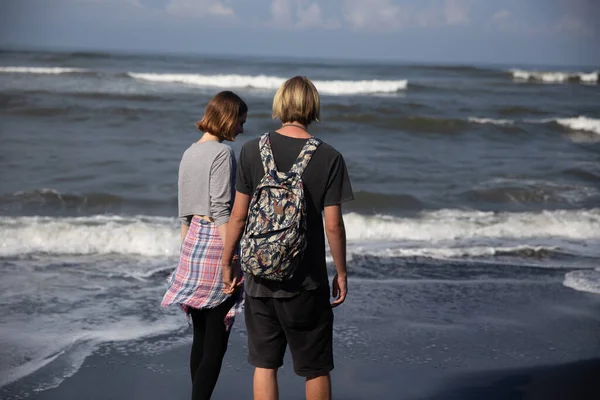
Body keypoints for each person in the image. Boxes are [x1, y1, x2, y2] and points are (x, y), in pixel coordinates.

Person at [222, 76, 353, 400]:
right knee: (315, 367)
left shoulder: (253, 150)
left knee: (265, 365)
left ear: (280, 105)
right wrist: (341, 271)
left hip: (259, 278)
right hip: (306, 282)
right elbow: (333, 225)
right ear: (312, 107)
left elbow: (238, 216)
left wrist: (228, 261)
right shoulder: (329, 157)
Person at [161, 91, 247, 400]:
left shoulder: (189, 152)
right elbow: (222, 211)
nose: (241, 128)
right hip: (215, 243)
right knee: (216, 344)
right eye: (240, 120)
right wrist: (231, 260)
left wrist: (184, 255)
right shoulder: (222, 154)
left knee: (200, 336)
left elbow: (184, 212)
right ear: (227, 118)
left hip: (192, 243)